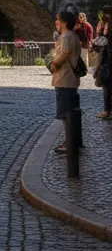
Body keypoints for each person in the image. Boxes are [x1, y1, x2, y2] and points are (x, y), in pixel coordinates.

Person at [50, 8, 83, 155]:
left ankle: (69, 142)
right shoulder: (72, 36)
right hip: (68, 78)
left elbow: (64, 53)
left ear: (63, 22)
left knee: (66, 113)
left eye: (58, 20)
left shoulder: (67, 36)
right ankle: (71, 141)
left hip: (65, 78)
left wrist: (54, 63)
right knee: (68, 113)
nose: (56, 23)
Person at [94, 5, 111, 120]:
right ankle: (107, 110)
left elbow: (100, 42)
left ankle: (107, 111)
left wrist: (99, 32)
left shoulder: (106, 24)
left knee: (106, 84)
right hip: (107, 57)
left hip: (107, 59)